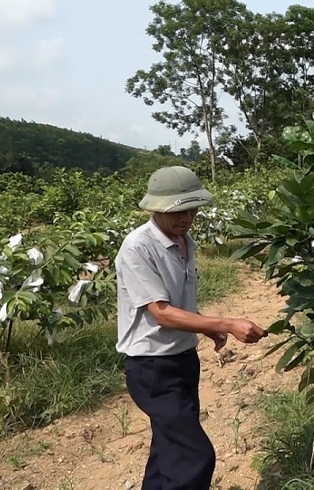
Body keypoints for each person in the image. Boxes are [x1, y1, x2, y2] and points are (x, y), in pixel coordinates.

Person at [115, 166, 268, 489]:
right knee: (195, 456)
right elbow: (161, 312)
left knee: (168, 450)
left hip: (183, 360)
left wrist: (206, 328)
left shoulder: (185, 241)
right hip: (152, 367)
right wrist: (225, 322)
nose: (187, 217)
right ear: (155, 209)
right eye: (178, 211)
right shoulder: (138, 248)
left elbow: (179, 304)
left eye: (192, 209)